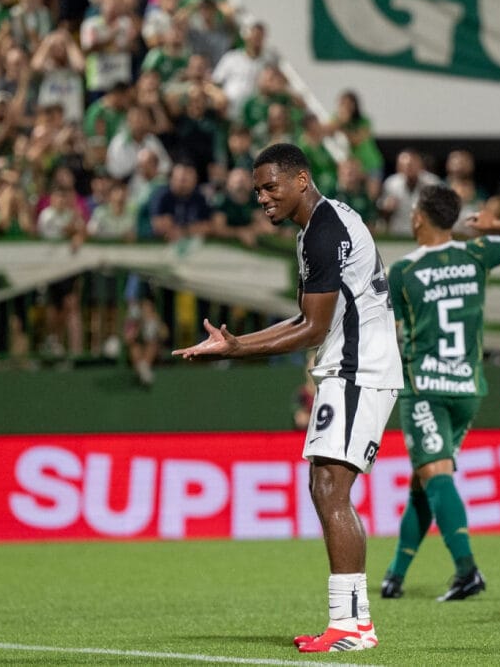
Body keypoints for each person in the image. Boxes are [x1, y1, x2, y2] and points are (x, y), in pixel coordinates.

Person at [173, 143, 402, 653]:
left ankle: (350, 625)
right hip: (352, 367)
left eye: (270, 186)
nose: (262, 197)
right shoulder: (319, 226)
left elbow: (313, 328)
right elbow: (305, 319)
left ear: (301, 180)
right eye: (257, 190)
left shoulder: (323, 231)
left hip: (358, 368)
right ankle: (353, 622)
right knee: (325, 487)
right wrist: (234, 344)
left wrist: (237, 350)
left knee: (330, 489)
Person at [381, 184, 500, 602]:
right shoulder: (476, 253)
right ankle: (394, 576)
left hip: (425, 388)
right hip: (467, 388)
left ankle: (467, 570)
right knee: (425, 479)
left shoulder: (403, 271)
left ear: (418, 217)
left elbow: (384, 332)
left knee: (435, 475)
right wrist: (496, 225)